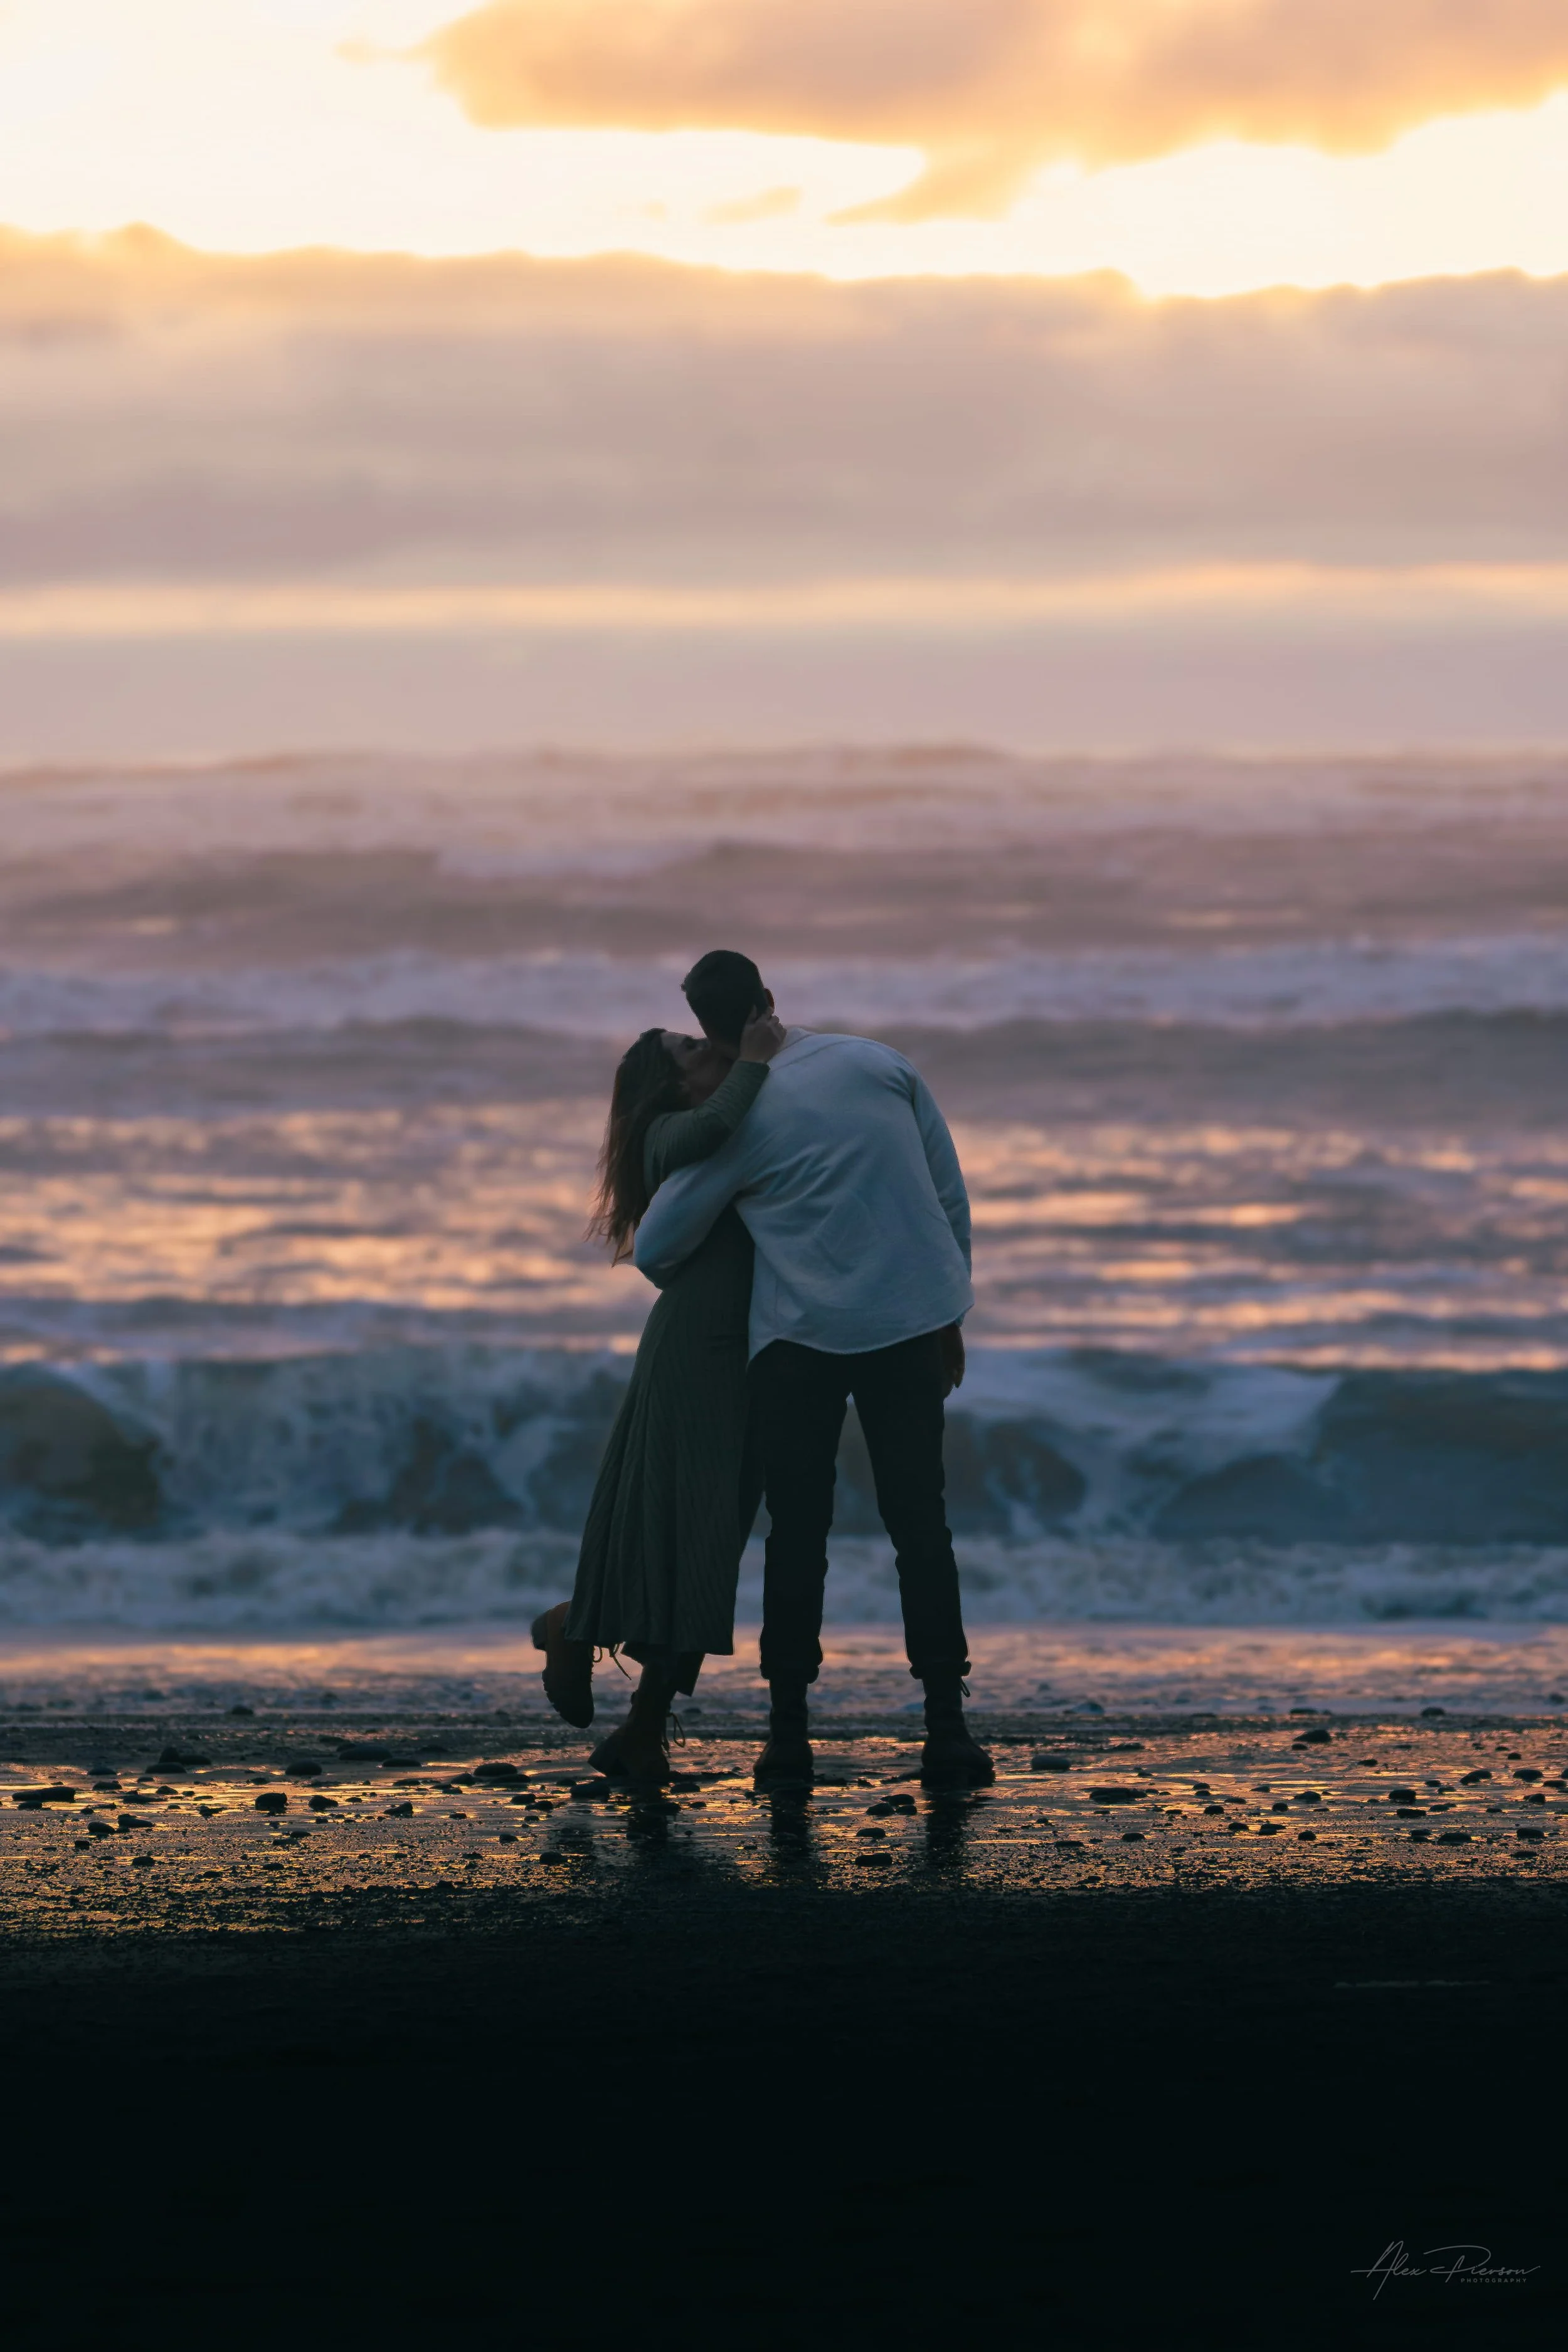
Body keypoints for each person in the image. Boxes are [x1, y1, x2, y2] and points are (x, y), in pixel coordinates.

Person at [635, 948, 992, 1791]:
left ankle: (787, 1735)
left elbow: (655, 1247)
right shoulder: (879, 1063)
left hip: (797, 1343)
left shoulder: (741, 1115)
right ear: (768, 998)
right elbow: (947, 1197)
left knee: (797, 1536)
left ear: (710, 1031)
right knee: (921, 1530)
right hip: (907, 1325)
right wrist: (951, 1310)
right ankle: (946, 1728)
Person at [531, 999, 785, 1784]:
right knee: (692, 1531)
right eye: (688, 1049)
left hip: (738, 1348)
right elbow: (712, 1128)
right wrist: (754, 1057)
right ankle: (630, 1713)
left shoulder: (728, 1117)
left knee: (702, 1537)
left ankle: (589, 1645)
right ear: (669, 1088)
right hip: (698, 1350)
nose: (704, 1048)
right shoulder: (667, 1134)